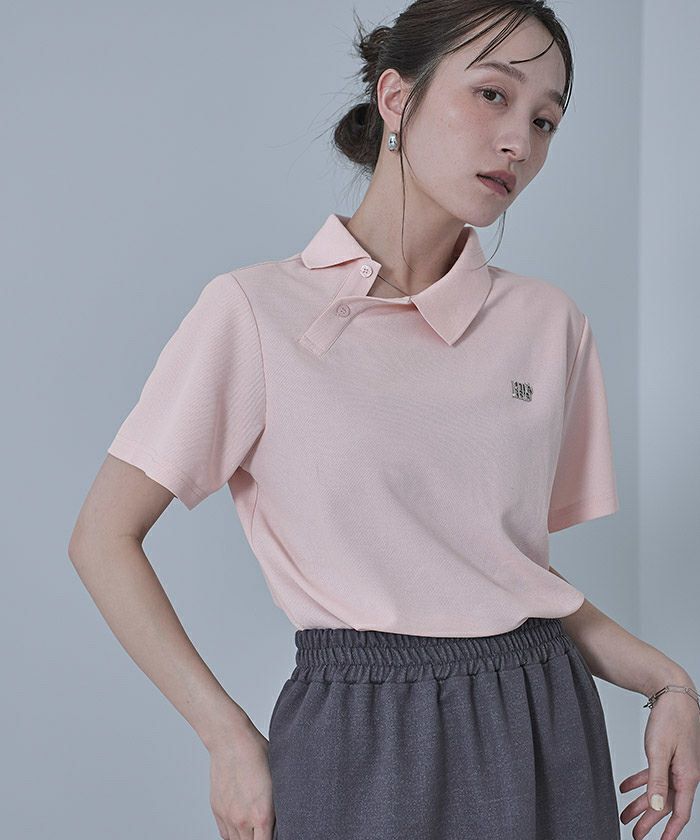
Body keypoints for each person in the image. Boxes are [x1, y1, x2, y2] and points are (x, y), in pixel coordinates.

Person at [68, 1, 700, 838]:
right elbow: (102, 538)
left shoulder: (550, 326)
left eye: (545, 120)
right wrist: (225, 737)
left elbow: (508, 583)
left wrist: (670, 683)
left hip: (542, 721)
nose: (520, 141)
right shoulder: (254, 312)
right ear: (397, 98)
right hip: (357, 734)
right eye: (493, 95)